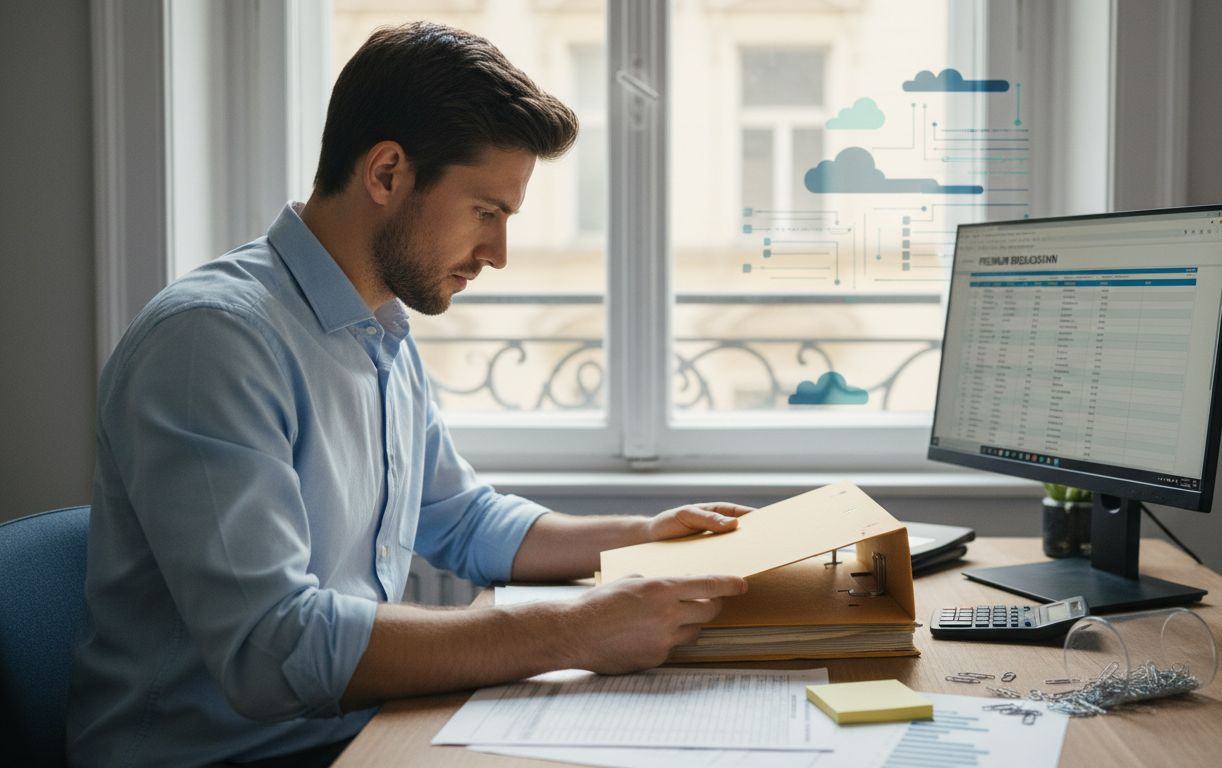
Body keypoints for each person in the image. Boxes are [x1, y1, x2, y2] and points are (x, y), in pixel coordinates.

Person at [68, 22, 748, 767]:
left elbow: (463, 518)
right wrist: (575, 630)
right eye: (486, 212)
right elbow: (273, 649)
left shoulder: (379, 330)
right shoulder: (212, 342)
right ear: (388, 174)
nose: (497, 254)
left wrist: (644, 538)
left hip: (350, 734)